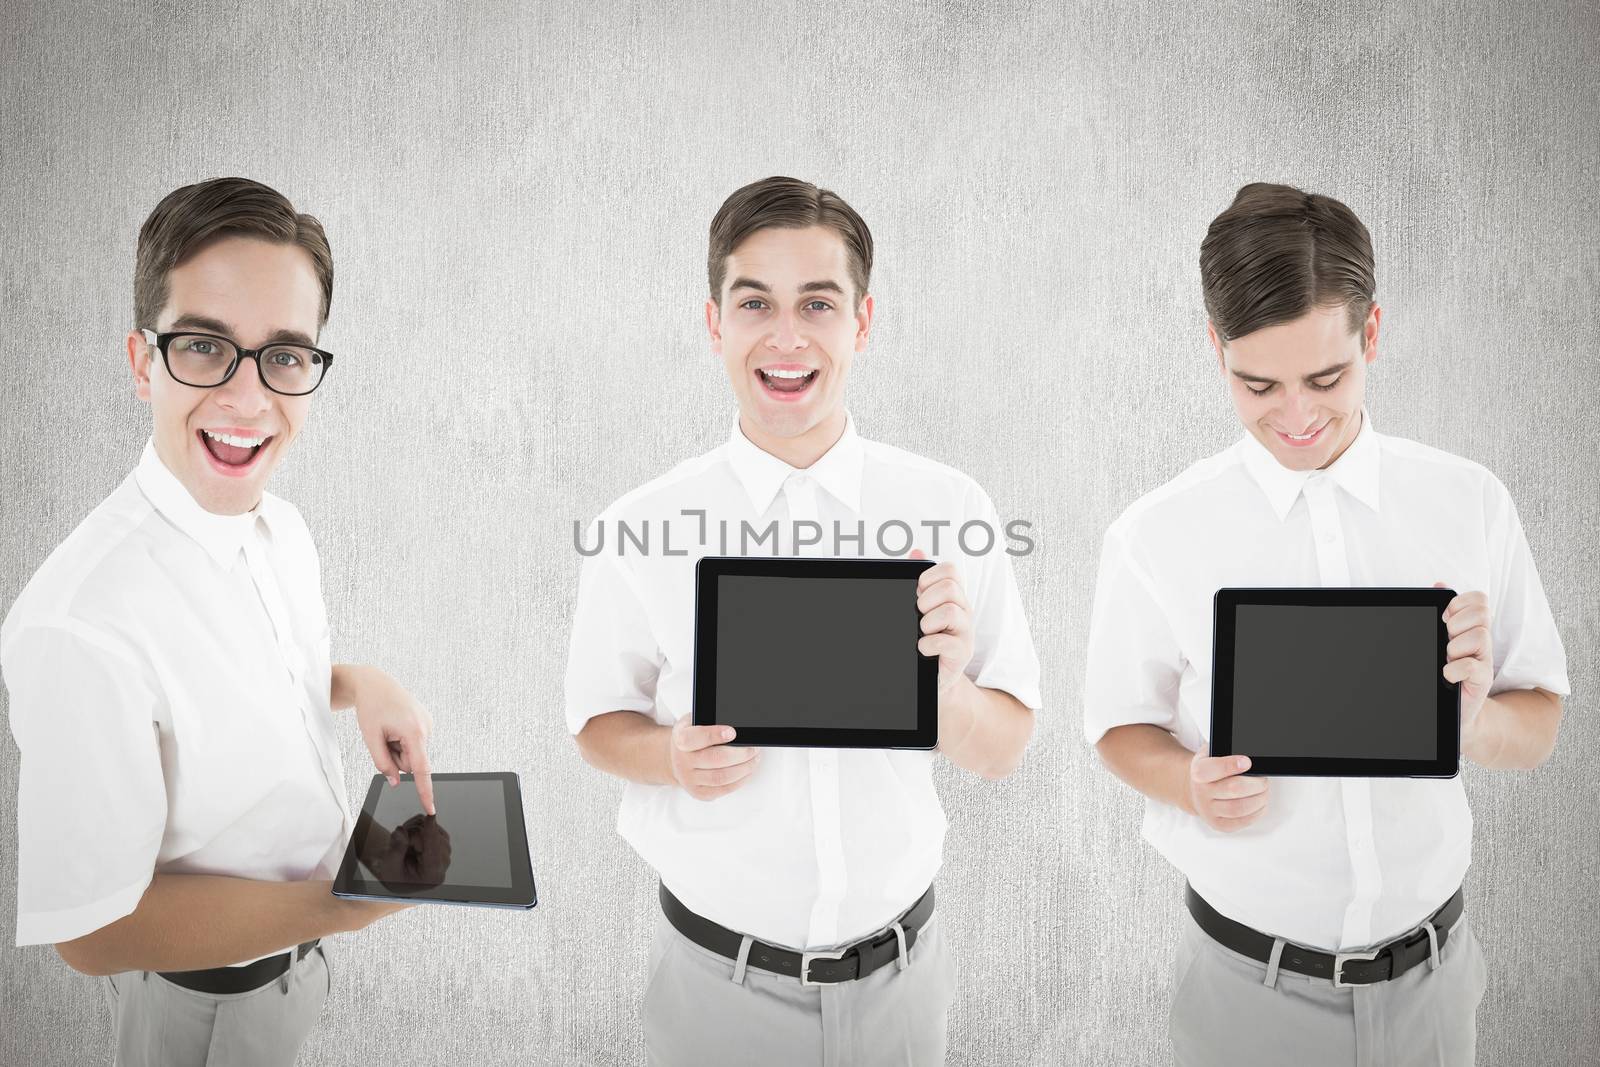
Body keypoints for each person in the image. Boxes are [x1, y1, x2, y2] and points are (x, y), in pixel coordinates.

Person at [1084, 182, 1569, 1065]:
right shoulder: (1157, 532)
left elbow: (1538, 722)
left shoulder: (1468, 503)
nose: (1298, 416)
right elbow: (1116, 727)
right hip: (1243, 997)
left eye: (1327, 377)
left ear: (1372, 335)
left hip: (1435, 985)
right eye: (1257, 383)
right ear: (1214, 349)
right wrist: (1189, 781)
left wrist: (1477, 716)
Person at [564, 175, 1042, 1065]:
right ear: (715, 323)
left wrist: (943, 689)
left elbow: (1003, 748)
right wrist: (668, 755)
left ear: (862, 323)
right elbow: (595, 724)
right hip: (715, 993)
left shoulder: (949, 506)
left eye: (818, 303)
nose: (786, 337)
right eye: (755, 303)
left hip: (903, 987)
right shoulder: (640, 526)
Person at [2, 177, 438, 1067]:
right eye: (204, 347)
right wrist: (346, 902)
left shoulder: (280, 527)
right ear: (141, 361)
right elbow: (93, 932)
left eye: (284, 355)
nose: (248, 399)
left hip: (291, 978)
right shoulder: (78, 620)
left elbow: (234, 686)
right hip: (201, 1013)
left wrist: (360, 684)